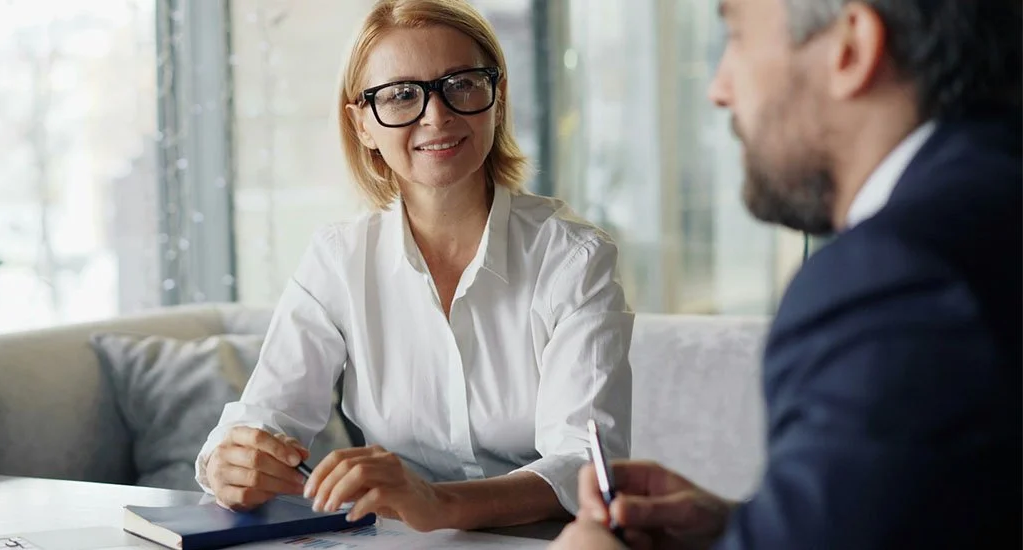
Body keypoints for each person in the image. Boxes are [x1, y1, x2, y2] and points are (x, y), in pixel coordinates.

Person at [551, 0, 1021, 548]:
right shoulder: (992, 206)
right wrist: (740, 529)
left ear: (851, 49)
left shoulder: (896, 279)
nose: (718, 88)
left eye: (737, 36)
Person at [196, 0, 633, 532]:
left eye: (462, 83)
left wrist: (437, 503)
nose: (437, 114)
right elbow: (267, 417)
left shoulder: (573, 258)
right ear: (361, 124)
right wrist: (231, 461)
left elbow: (583, 464)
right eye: (401, 95)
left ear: (496, 98)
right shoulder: (339, 259)